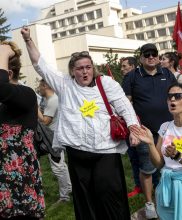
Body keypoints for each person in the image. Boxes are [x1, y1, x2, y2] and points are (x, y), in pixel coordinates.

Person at [21, 26, 140, 220]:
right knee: (85, 200)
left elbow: (125, 108)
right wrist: (28, 40)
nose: (85, 72)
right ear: (72, 71)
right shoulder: (64, 84)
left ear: (93, 68)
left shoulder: (107, 83)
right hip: (78, 152)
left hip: (106, 151)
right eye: (79, 68)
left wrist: (133, 130)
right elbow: (39, 64)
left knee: (110, 195)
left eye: (88, 67)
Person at [131, 83, 182, 220]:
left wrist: (177, 155)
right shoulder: (165, 127)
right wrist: (151, 143)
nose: (172, 100)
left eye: (178, 96)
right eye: (169, 97)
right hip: (168, 188)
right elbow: (158, 164)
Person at [122, 43, 177, 219]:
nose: (151, 57)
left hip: (168, 130)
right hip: (145, 132)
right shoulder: (132, 76)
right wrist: (133, 129)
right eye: (147, 54)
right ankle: (149, 203)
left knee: (170, 166)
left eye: (154, 54)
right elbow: (125, 104)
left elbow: (176, 95)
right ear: (141, 57)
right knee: (147, 168)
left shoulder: (167, 73)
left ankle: (166, 199)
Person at [0, 42, 45, 219]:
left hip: (18, 182)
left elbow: (2, 89)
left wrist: (3, 53)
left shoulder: (26, 94)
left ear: (8, 73)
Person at [38, 79, 72, 203]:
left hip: (54, 138)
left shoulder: (53, 100)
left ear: (45, 85)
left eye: (40, 86)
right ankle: (69, 188)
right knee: (61, 165)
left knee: (58, 167)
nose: (39, 88)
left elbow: (46, 121)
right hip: (55, 136)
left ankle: (64, 197)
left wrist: (35, 108)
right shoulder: (51, 100)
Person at [121, 57, 141, 198]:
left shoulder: (129, 77)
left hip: (134, 123)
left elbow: (126, 100)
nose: (122, 69)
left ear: (132, 66)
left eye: (124, 66)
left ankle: (140, 186)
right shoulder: (137, 77)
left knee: (135, 156)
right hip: (139, 122)